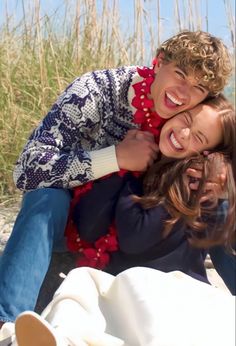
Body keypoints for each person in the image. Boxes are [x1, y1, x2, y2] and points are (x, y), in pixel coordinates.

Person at [0, 30, 233, 328]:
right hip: (74, 220)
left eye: (198, 88)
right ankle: (7, 322)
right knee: (46, 196)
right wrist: (116, 157)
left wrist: (220, 171)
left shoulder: (189, 118)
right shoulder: (96, 91)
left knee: (218, 202)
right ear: (158, 61)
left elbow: (222, 134)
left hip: (133, 233)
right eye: (179, 74)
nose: (183, 93)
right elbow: (27, 168)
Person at [69, 95, 235, 284]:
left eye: (198, 137)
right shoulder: (145, 156)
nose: (184, 133)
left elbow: (134, 237)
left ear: (209, 154)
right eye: (187, 119)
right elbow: (88, 229)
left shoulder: (192, 182)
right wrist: (122, 160)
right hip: (128, 288)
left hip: (171, 292)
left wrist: (132, 175)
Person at [1, 267, 235, 346]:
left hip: (177, 286)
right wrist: (117, 161)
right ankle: (63, 338)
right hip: (120, 278)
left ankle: (68, 338)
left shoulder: (212, 187)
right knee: (82, 279)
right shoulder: (127, 179)